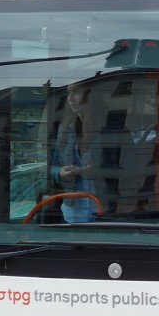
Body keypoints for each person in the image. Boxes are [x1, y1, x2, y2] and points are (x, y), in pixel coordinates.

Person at [51, 87, 98, 222]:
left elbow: (127, 168)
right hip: (72, 213)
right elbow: (54, 165)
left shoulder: (107, 127)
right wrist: (60, 172)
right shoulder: (65, 128)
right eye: (68, 93)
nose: (70, 98)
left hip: (102, 211)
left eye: (76, 92)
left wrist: (98, 170)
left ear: (90, 95)